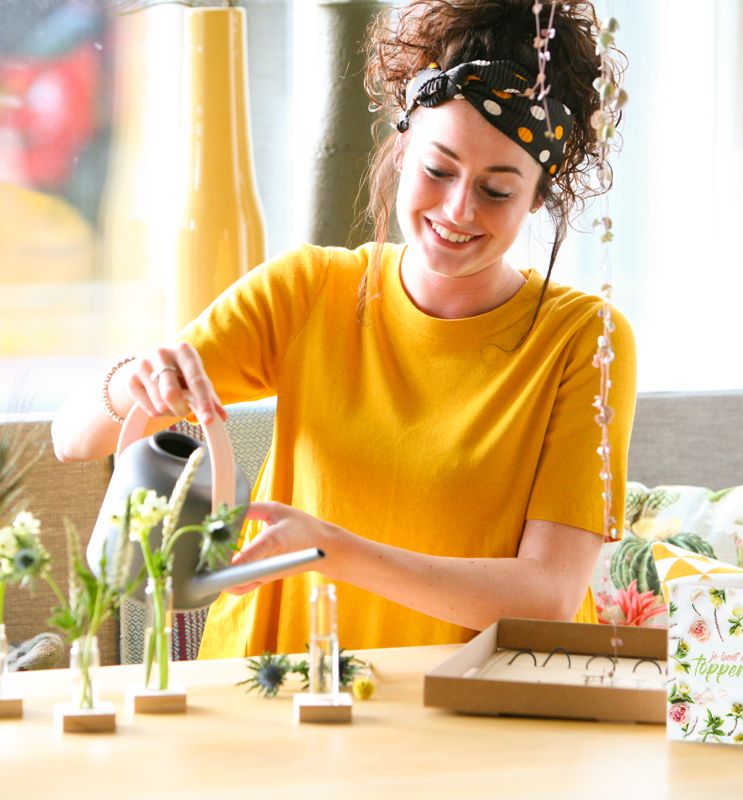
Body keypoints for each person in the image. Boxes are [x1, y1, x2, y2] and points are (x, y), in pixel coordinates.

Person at [52, 0, 635, 657]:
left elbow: (548, 594)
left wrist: (332, 550)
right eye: (438, 170)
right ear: (402, 145)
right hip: (282, 686)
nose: (457, 210)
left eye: (497, 190)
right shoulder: (308, 291)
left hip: (475, 703)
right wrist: (134, 381)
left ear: (537, 195)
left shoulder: (584, 339)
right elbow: (73, 438)